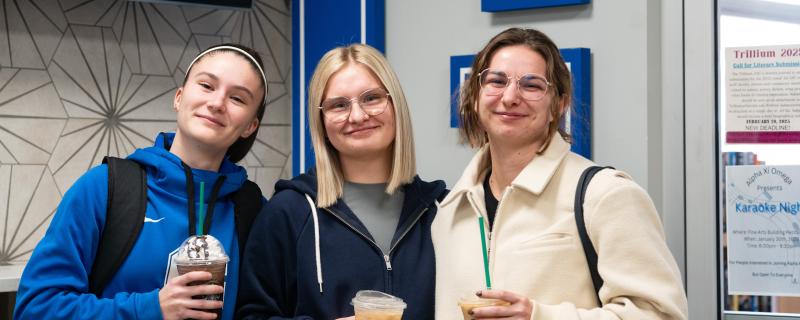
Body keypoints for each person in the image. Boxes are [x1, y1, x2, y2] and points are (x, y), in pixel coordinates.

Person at [431, 27, 689, 319]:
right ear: (475, 97)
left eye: (532, 85)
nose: (510, 97)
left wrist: (540, 316)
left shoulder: (606, 195)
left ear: (559, 104)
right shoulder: (451, 211)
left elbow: (661, 314)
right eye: (496, 81)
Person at [14, 43, 269, 320]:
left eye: (238, 99)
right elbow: (35, 309)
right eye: (207, 85)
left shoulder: (254, 210)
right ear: (179, 97)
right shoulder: (104, 189)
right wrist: (150, 309)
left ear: (250, 126)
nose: (217, 103)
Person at [236, 43, 447, 320]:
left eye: (371, 98)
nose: (357, 116)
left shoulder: (441, 211)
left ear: (396, 105)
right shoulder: (288, 212)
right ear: (321, 121)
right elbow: (252, 315)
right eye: (338, 105)